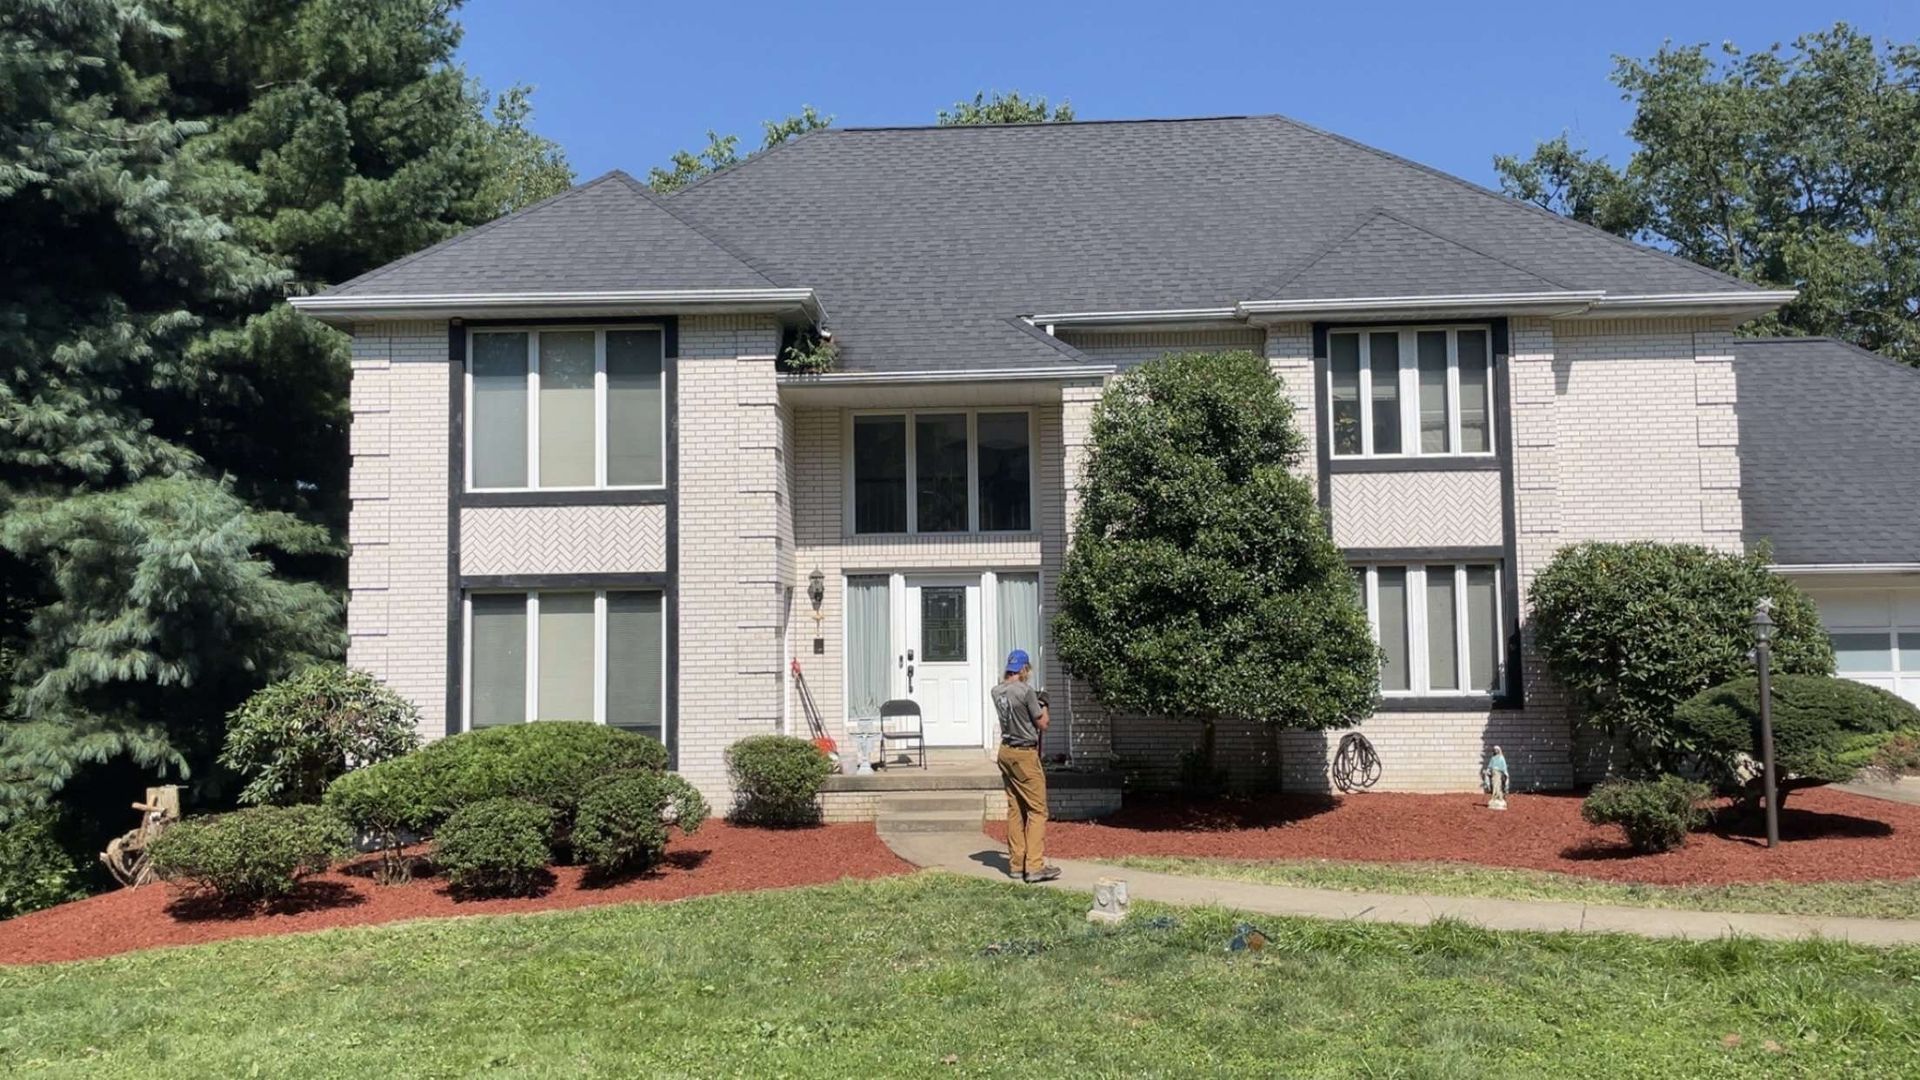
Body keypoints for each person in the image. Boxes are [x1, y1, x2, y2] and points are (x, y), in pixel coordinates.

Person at [993, 649, 1058, 883]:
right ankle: (1034, 866)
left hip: (1005, 751)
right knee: (1038, 810)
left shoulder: (996, 691)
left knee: (1015, 809)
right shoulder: (1026, 691)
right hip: (1024, 755)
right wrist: (1044, 702)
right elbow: (1043, 723)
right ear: (1024, 669)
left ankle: (1015, 864)